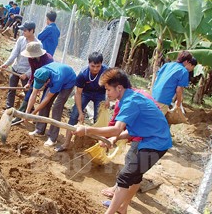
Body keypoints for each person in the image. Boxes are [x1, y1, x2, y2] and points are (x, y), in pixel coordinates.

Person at [73, 67, 172, 214]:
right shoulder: (130, 97)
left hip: (156, 143)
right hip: (151, 139)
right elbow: (129, 130)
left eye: (108, 90)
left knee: (125, 176)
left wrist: (87, 130)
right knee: (135, 176)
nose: (107, 93)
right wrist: (114, 138)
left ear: (119, 88)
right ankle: (122, 207)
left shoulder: (130, 101)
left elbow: (117, 129)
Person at [54, 51, 108, 152]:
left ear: (101, 64)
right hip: (85, 93)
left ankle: (99, 146)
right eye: (92, 66)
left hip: (100, 94)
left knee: (98, 119)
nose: (95, 69)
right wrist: (80, 112)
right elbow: (78, 93)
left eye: (98, 66)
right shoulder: (83, 74)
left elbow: (110, 86)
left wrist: (108, 100)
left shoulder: (106, 72)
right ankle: (66, 144)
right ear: (88, 63)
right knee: (74, 116)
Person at [26, 62, 76, 147]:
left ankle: (52, 138)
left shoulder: (57, 79)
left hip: (68, 82)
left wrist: (33, 113)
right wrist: (26, 113)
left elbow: (47, 99)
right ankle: (39, 129)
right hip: (56, 77)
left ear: (48, 81)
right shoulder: (40, 73)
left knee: (57, 107)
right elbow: (33, 94)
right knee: (44, 105)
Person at [10, 41, 54, 125]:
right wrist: (29, 83)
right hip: (37, 78)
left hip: (49, 80)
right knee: (28, 95)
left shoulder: (48, 59)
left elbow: (50, 74)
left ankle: (37, 120)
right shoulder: (31, 58)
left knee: (44, 100)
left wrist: (44, 86)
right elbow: (34, 71)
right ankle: (19, 116)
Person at [0, 22, 40, 110]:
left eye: (25, 30)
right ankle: (9, 108)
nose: (23, 32)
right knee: (11, 89)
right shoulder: (21, 39)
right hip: (15, 68)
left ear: (31, 31)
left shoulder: (37, 44)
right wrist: (6, 64)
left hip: (26, 73)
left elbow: (37, 64)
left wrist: (27, 74)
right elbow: (14, 53)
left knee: (27, 92)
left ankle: (30, 112)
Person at [151, 51, 197, 115]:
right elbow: (179, 89)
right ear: (187, 61)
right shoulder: (183, 71)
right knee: (156, 122)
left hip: (153, 95)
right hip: (163, 99)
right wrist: (178, 102)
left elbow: (157, 78)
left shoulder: (167, 64)